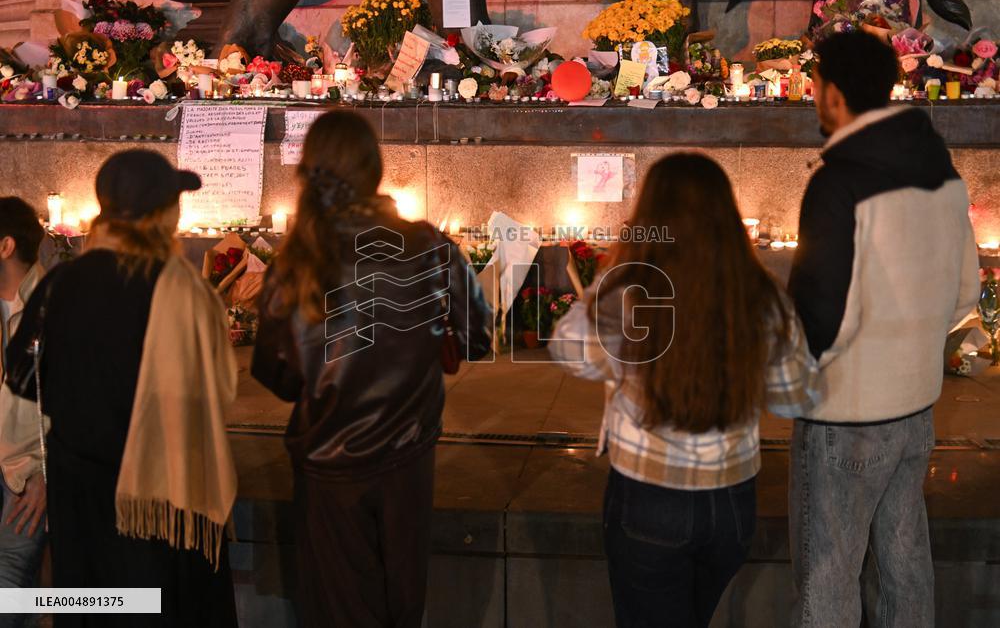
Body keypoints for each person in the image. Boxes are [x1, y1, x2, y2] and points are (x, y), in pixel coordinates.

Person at [549, 153, 819, 628]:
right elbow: (795, 397)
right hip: (730, 503)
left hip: (647, 497)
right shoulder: (762, 295)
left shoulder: (630, 289)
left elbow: (568, 350)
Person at [252, 110, 493, 628]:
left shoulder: (299, 258)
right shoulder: (429, 245)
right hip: (408, 454)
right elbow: (477, 336)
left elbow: (278, 375)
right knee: (402, 604)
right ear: (374, 167)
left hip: (327, 462)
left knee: (339, 609)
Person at [787, 31, 980, 627]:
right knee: (906, 566)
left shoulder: (839, 181)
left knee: (829, 575)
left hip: (847, 412)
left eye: (816, 83)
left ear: (834, 93)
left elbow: (819, 313)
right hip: (916, 409)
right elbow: (965, 293)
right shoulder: (942, 172)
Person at [6, 151, 239, 627]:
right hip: (164, 499)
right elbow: (219, 389)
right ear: (162, 214)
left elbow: (23, 378)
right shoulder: (185, 291)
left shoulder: (60, 285)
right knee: (163, 608)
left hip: (81, 500)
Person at [0, 198, 46, 626]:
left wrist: (46, 474)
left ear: (5, 246)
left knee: (10, 584)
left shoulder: (53, 306)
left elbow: (77, 405)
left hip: (25, 476)